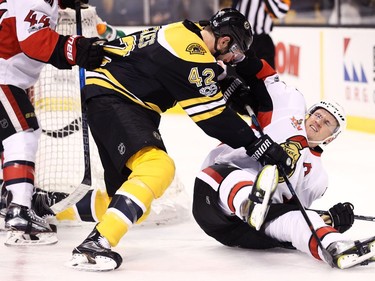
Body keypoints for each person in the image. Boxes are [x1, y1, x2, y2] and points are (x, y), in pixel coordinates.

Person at [65, 8, 293, 271]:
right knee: (158, 167)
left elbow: (192, 76)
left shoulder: (191, 33)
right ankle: (95, 244)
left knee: (129, 200)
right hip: (117, 98)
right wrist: (257, 144)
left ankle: (56, 207)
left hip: (117, 98)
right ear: (224, 41)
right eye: (235, 51)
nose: (233, 58)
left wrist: (229, 89)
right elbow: (212, 117)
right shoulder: (191, 51)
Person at [192, 56, 375, 269]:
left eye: (327, 123)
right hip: (213, 200)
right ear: (307, 114)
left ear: (330, 138)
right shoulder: (288, 111)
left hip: (252, 230)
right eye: (317, 115)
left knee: (299, 219)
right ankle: (247, 203)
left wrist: (329, 220)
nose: (318, 121)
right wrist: (239, 56)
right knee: (234, 176)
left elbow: (289, 211)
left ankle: (336, 248)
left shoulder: (318, 178)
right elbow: (266, 76)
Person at [0, 0, 105, 246]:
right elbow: (33, 41)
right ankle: (19, 211)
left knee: (11, 140)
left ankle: (9, 200)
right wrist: (75, 48)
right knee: (22, 134)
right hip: (4, 75)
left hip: (10, 75)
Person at [231, 0, 291, 68]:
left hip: (262, 41)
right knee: (237, 75)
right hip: (239, 39)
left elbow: (280, 12)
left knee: (266, 76)